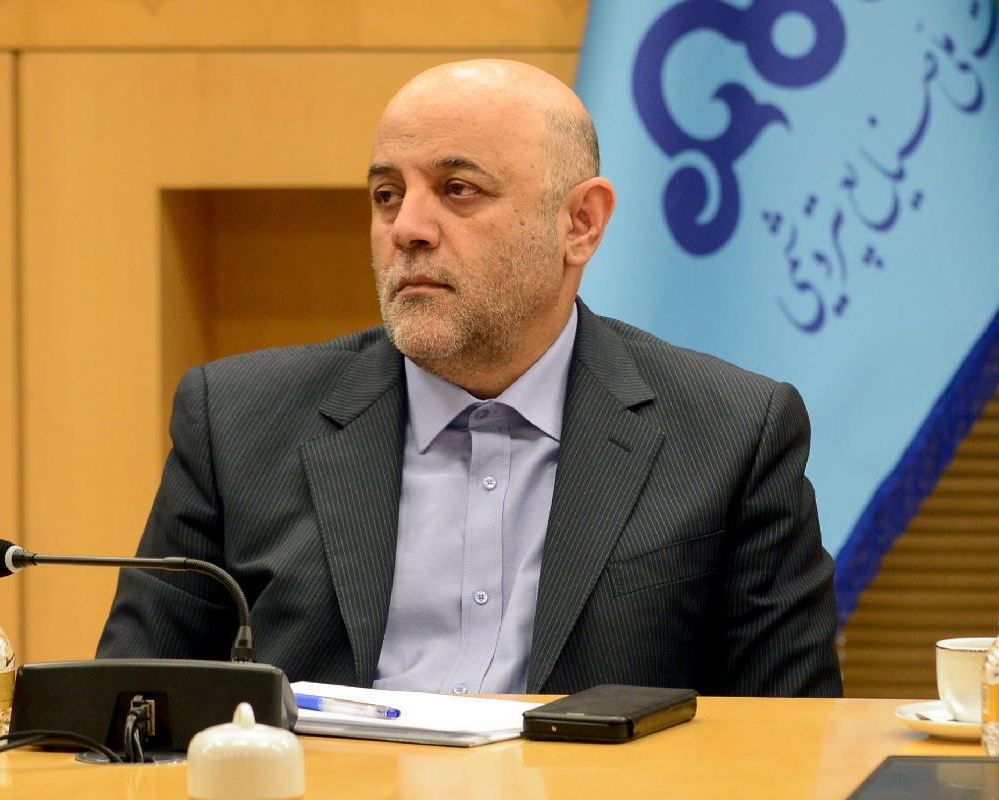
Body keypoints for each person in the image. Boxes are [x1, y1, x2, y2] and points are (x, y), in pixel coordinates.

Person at [97, 59, 843, 697]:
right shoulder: (237, 422)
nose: (407, 229)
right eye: (387, 194)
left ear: (580, 223)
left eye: (458, 189)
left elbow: (785, 741)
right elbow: (127, 713)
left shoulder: (731, 434)